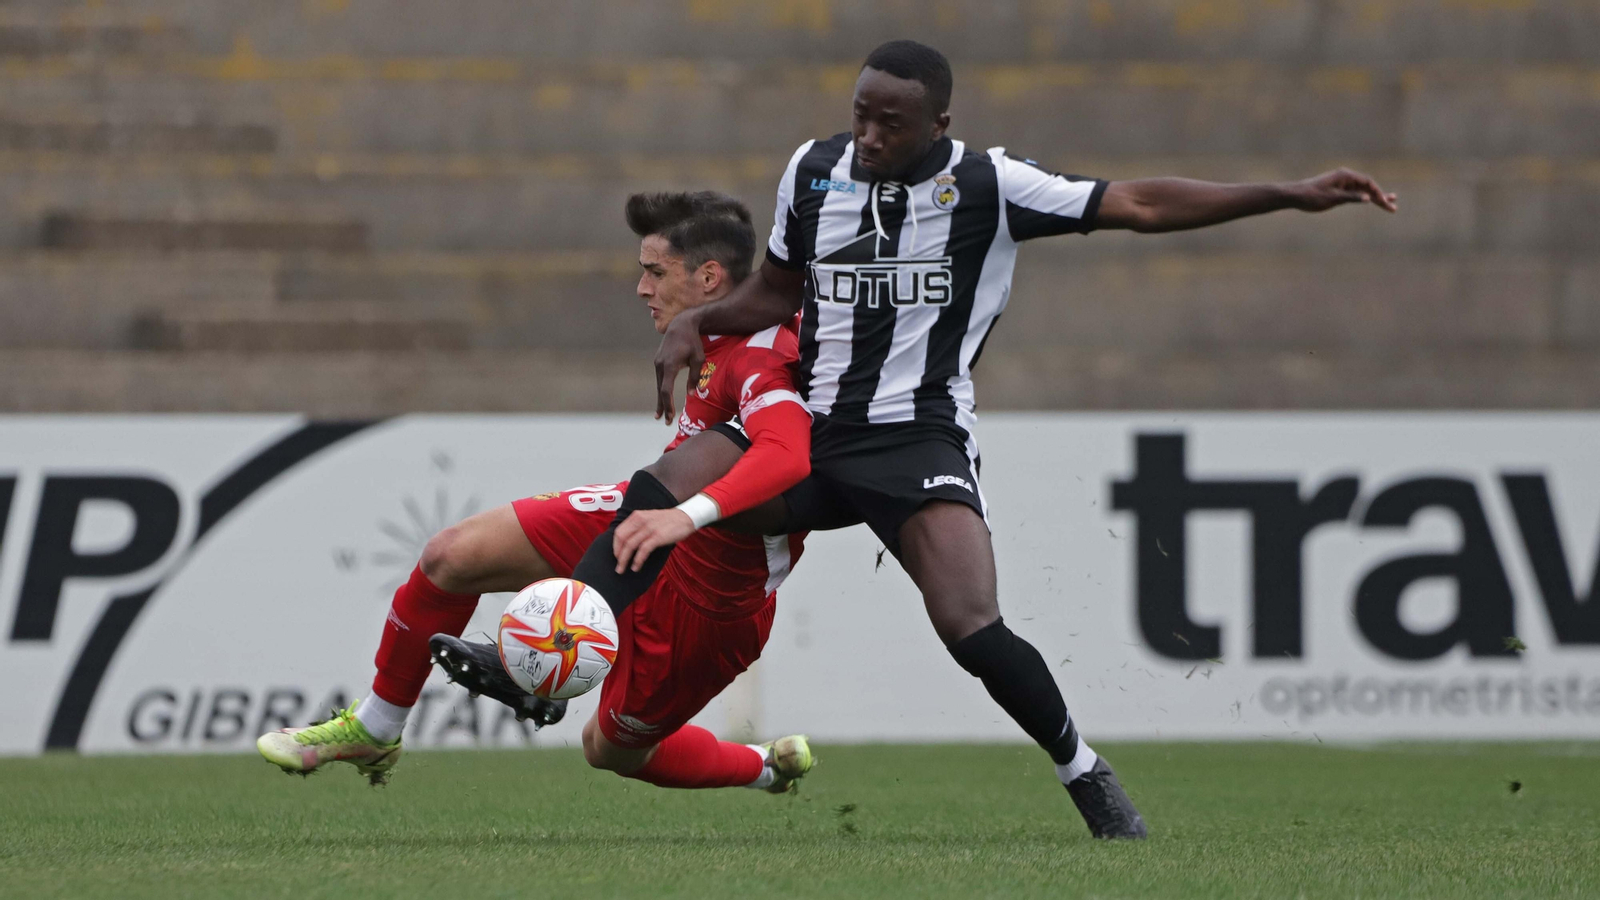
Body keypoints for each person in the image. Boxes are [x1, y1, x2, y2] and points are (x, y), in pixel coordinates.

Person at [649, 40, 1400, 839]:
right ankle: (572, 642)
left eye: (891, 124)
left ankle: (1085, 774)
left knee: (970, 624)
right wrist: (699, 319)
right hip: (812, 428)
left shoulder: (988, 185)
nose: (870, 136)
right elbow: (775, 289)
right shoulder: (813, 170)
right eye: (861, 115)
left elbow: (1138, 204)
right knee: (673, 486)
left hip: (918, 441)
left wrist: (1288, 195)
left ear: (939, 123)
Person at [257, 191, 818, 795]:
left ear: (709, 277)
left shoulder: (764, 355)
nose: (641, 288)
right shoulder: (717, 339)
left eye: (655, 272)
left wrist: (692, 516)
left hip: (710, 597)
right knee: (450, 556)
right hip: (644, 515)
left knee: (611, 749)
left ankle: (761, 768)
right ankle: (375, 728)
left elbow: (788, 456)